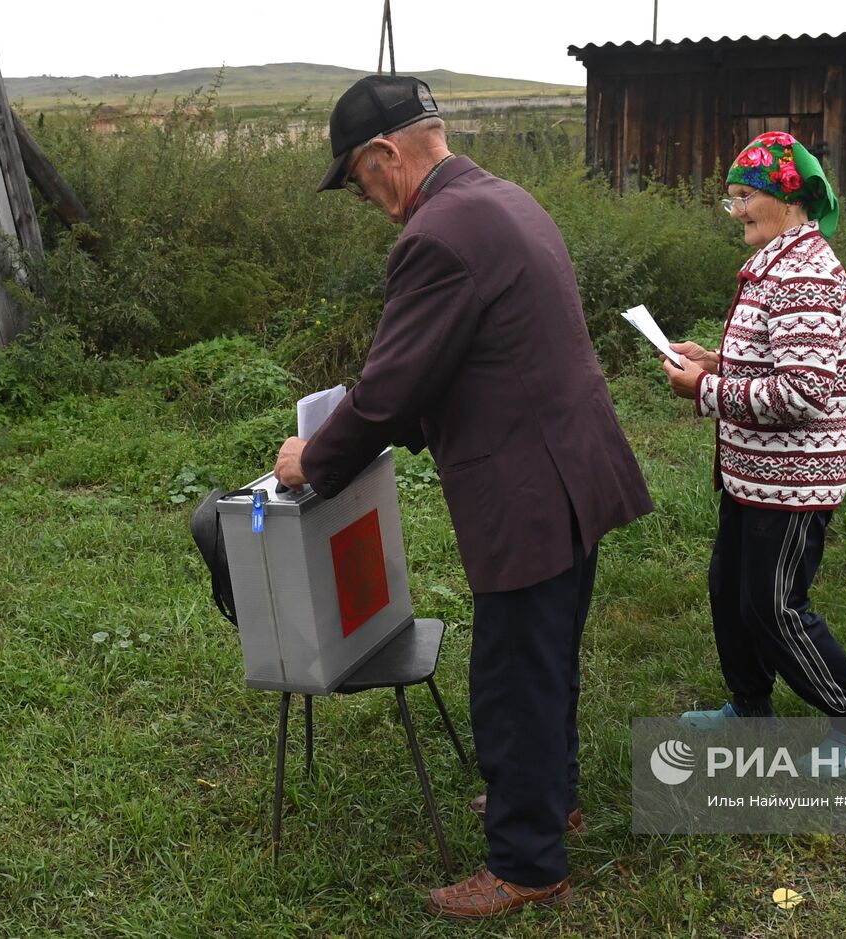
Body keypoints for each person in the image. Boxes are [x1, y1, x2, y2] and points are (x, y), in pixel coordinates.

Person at [274, 75, 652, 919]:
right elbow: (475, 357)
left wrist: (315, 459)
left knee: (513, 676)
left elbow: (389, 391)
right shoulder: (502, 198)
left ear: (385, 155)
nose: (367, 199)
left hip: (527, 484)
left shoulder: (436, 235)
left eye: (360, 181)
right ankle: (551, 800)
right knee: (548, 656)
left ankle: (526, 861)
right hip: (575, 468)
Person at [660, 130, 846, 775]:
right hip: (752, 475)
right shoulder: (778, 265)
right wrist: (716, 361)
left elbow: (809, 390)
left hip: (793, 482)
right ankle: (750, 710)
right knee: (731, 590)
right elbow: (778, 358)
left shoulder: (807, 276)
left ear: (786, 199)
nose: (734, 211)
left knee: (773, 607)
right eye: (730, 199)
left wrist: (705, 389)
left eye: (743, 197)